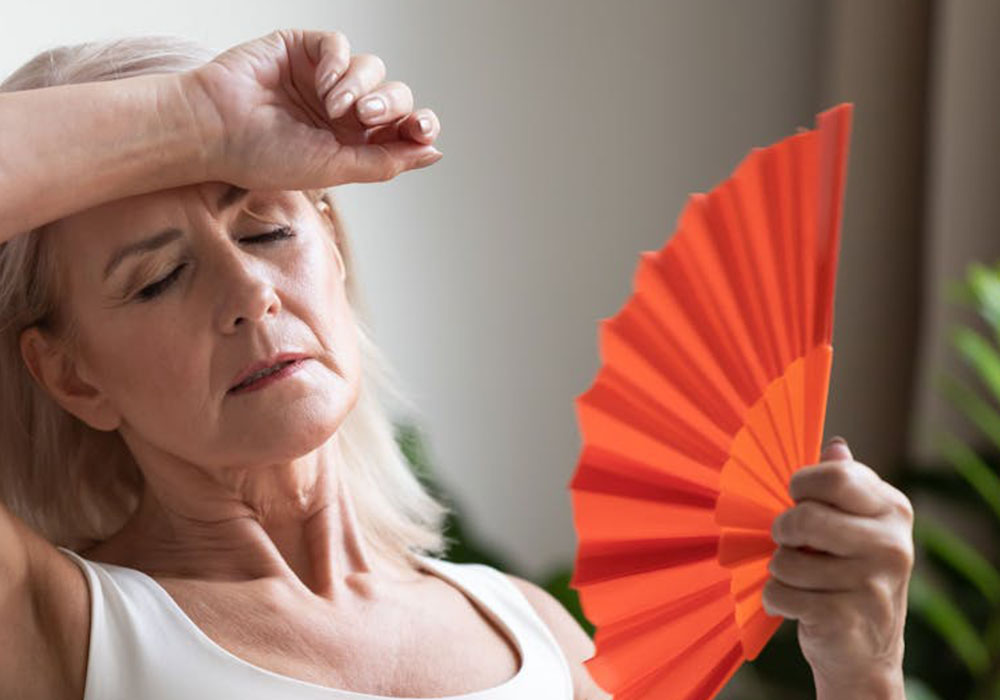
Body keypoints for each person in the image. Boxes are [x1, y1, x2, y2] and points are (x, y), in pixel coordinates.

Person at [0, 27, 914, 700]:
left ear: (333, 245)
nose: (250, 293)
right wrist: (200, 117)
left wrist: (862, 669)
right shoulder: (56, 631)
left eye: (269, 229)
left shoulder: (529, 630)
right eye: (158, 279)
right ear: (72, 376)